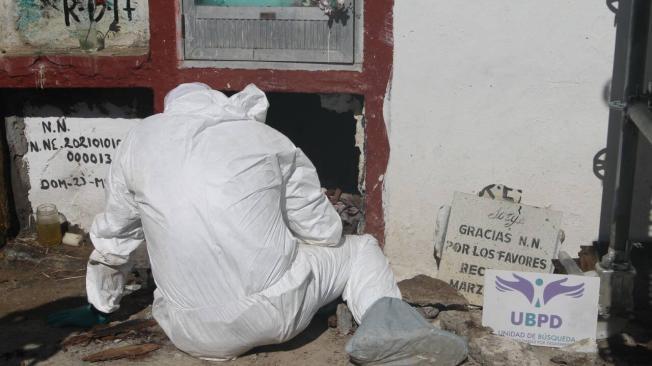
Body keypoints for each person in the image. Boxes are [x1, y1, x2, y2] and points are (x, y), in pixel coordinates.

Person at [48, 83, 468, 365]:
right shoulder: (269, 141)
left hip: (187, 332)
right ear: (223, 106)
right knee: (362, 250)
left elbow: (116, 236)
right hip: (276, 317)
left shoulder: (138, 141)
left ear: (173, 109)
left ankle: (99, 309)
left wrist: (99, 308)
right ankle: (389, 327)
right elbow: (323, 232)